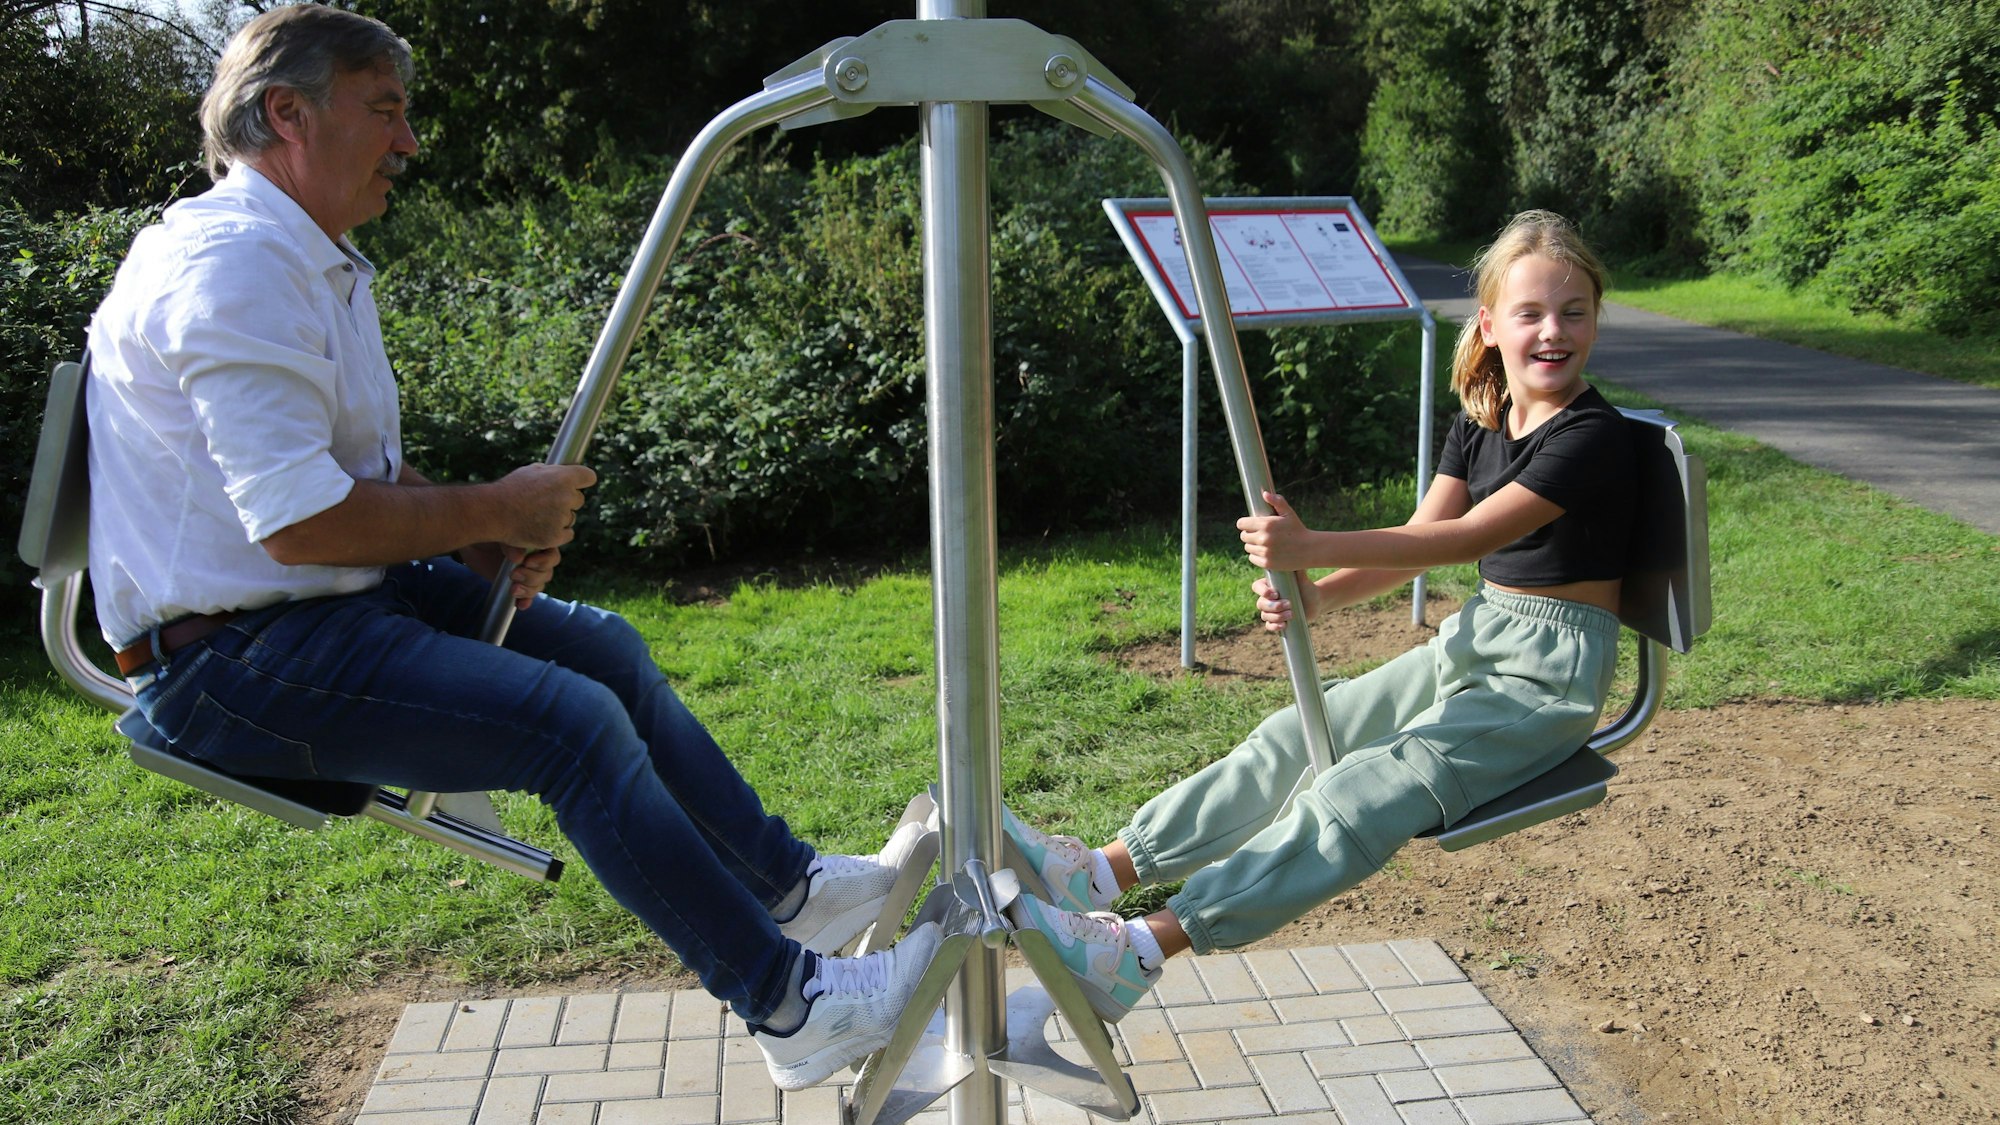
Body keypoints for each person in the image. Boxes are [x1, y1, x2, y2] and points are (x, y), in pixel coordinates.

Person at [83, 6, 937, 1090]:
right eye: (384, 111)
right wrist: (495, 509)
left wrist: (483, 541)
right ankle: (792, 1007)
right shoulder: (235, 268)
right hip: (230, 662)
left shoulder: (305, 256)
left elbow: (356, 480)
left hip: (319, 607)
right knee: (569, 727)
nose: (408, 142)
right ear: (286, 113)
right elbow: (297, 522)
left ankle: (790, 891)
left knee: (605, 655)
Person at [998, 210, 1637, 1023]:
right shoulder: (1483, 421)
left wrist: (1306, 544)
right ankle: (1096, 874)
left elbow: (1467, 537)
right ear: (1490, 323)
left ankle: (1139, 949)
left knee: (1358, 792)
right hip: (1480, 638)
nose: (1555, 331)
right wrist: (1321, 591)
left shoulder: (1593, 438)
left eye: (1574, 311)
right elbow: (1416, 532)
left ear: (1595, 317)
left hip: (1545, 681)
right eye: (1532, 313)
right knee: (1299, 731)